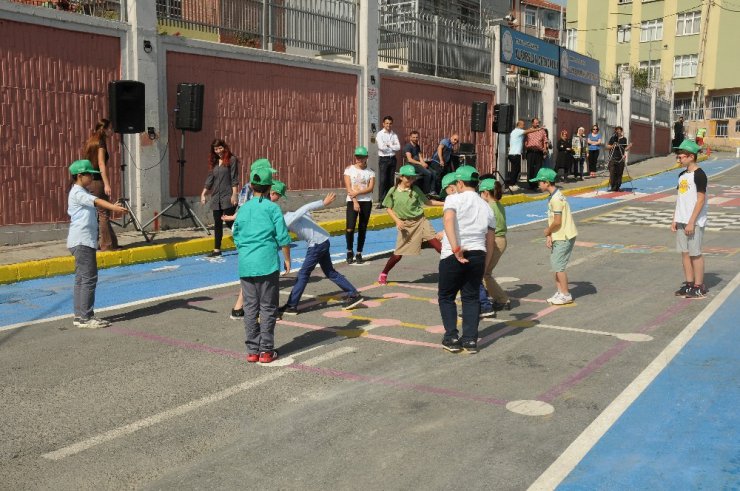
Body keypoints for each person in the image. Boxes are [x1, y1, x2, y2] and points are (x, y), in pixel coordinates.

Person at [275, 183, 365, 315]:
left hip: (317, 244)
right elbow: (306, 214)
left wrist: (323, 203)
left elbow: (306, 207)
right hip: (323, 241)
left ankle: (291, 305)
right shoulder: (289, 215)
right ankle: (353, 294)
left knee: (303, 274)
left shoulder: (286, 220)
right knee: (329, 272)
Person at [232, 167, 292, 364]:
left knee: (250, 307)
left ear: (251, 185)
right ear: (268, 188)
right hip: (266, 262)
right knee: (267, 307)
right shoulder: (272, 208)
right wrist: (287, 258)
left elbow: (236, 233)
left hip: (246, 263)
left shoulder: (244, 208)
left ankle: (252, 350)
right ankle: (266, 350)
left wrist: (244, 248)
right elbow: (283, 235)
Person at [438, 165, 495, 354]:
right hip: (478, 253)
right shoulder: (486, 206)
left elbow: (448, 221)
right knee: (471, 297)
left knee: (447, 296)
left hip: (453, 253)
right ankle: (470, 340)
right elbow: (490, 240)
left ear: (459, 183)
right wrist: (485, 265)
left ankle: (452, 336)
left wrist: (456, 248)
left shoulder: (453, 198)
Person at [67, 159, 127, 329]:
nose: (92, 178)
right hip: (82, 241)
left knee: (81, 279)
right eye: (89, 175)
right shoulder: (78, 192)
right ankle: (86, 317)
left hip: (80, 241)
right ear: (80, 176)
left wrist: (111, 206)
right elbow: (97, 201)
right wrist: (114, 209)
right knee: (89, 278)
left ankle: (80, 316)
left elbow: (96, 203)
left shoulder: (80, 191)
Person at [224, 158, 277, 320]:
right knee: (254, 273)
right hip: (250, 229)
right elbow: (244, 210)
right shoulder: (252, 189)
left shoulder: (254, 188)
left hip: (248, 229)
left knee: (252, 272)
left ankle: (244, 308)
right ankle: (242, 307)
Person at [377, 165, 445, 285]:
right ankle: (384, 273)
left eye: (413, 178)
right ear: (401, 177)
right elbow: (388, 208)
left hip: (420, 221)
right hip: (405, 225)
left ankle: (457, 269)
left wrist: (445, 203)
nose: (411, 180)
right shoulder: (393, 191)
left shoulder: (415, 190)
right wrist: (397, 221)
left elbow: (428, 202)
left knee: (437, 245)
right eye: (408, 178)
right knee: (397, 255)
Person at [529, 167, 578, 306]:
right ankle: (560, 291)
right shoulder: (554, 196)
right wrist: (550, 235)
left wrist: (547, 231)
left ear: (546, 182)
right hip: (559, 234)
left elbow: (557, 221)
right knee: (555, 265)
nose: (538, 184)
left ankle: (566, 294)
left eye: (540, 182)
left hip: (564, 236)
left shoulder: (556, 199)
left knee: (559, 267)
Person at [671, 140, 709, 299]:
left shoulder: (700, 175)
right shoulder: (682, 175)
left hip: (694, 221)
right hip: (682, 220)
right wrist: (675, 218)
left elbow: (700, 199)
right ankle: (689, 284)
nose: (679, 159)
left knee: (695, 253)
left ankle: (699, 286)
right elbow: (680, 198)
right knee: (685, 253)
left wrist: (692, 221)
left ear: (691, 157)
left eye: (681, 157)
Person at [83, 118, 118, 251]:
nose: (113, 131)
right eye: (111, 128)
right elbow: (101, 164)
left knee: (97, 214)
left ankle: (109, 243)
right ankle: (107, 245)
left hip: (89, 181)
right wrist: (107, 184)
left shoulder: (91, 141)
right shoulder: (101, 143)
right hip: (97, 181)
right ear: (105, 129)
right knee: (104, 214)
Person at [200, 139, 240, 257]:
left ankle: (246, 243)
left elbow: (234, 178)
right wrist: (203, 194)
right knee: (217, 223)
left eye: (220, 148)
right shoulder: (214, 162)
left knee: (229, 222)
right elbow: (210, 180)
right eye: (216, 149)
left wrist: (234, 194)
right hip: (216, 197)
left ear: (224, 147)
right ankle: (217, 249)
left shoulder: (232, 160)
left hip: (228, 196)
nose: (218, 151)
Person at [478, 177, 510, 311]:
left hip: (495, 240)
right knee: (485, 273)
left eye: (480, 193)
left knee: (485, 273)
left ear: (485, 193)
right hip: (500, 239)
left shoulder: (489, 207)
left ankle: (502, 300)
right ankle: (486, 294)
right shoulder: (497, 204)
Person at [344, 146, 375, 265]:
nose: (359, 159)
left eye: (361, 157)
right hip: (352, 201)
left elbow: (370, 188)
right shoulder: (349, 170)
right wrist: (355, 200)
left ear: (366, 157)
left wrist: (358, 192)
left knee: (362, 228)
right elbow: (348, 188)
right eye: (357, 157)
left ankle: (359, 252)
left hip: (366, 201)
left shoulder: (371, 172)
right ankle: (349, 251)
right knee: (350, 227)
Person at [507, 119, 542, 189]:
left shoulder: (516, 132)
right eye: (523, 124)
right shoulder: (517, 131)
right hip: (514, 154)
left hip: (515, 154)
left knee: (516, 169)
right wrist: (539, 129)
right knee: (515, 169)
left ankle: (513, 183)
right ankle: (511, 184)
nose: (524, 126)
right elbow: (528, 131)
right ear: (519, 125)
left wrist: (523, 153)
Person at [376, 116, 401, 208]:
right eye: (386, 123)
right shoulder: (380, 134)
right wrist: (392, 146)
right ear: (383, 124)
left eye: (390, 123)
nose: (388, 125)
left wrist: (389, 144)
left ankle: (389, 200)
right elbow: (381, 147)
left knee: (391, 181)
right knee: (383, 180)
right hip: (384, 159)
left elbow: (398, 147)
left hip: (392, 158)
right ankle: (381, 201)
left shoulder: (394, 135)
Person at [403, 130, 435, 195]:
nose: (415, 139)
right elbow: (409, 159)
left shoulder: (417, 146)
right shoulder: (408, 146)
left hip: (418, 164)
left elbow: (420, 156)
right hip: (411, 165)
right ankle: (426, 192)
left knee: (434, 173)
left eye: (416, 137)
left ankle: (432, 191)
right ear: (410, 138)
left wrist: (423, 163)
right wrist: (421, 163)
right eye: (413, 137)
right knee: (428, 173)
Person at [606, 126, 632, 192]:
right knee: (612, 173)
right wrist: (613, 146)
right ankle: (613, 186)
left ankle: (617, 187)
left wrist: (629, 146)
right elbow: (608, 146)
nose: (618, 132)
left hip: (620, 158)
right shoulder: (613, 138)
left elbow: (625, 149)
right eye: (617, 130)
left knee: (619, 173)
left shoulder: (624, 139)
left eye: (619, 130)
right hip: (613, 158)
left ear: (621, 131)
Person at [524, 118, 548, 189]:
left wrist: (545, 150)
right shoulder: (529, 131)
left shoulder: (542, 131)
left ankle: (536, 184)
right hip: (530, 151)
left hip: (539, 152)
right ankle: (530, 184)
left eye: (538, 123)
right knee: (530, 168)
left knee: (538, 169)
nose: (537, 124)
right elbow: (525, 140)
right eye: (536, 123)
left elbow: (545, 140)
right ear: (532, 123)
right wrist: (524, 149)